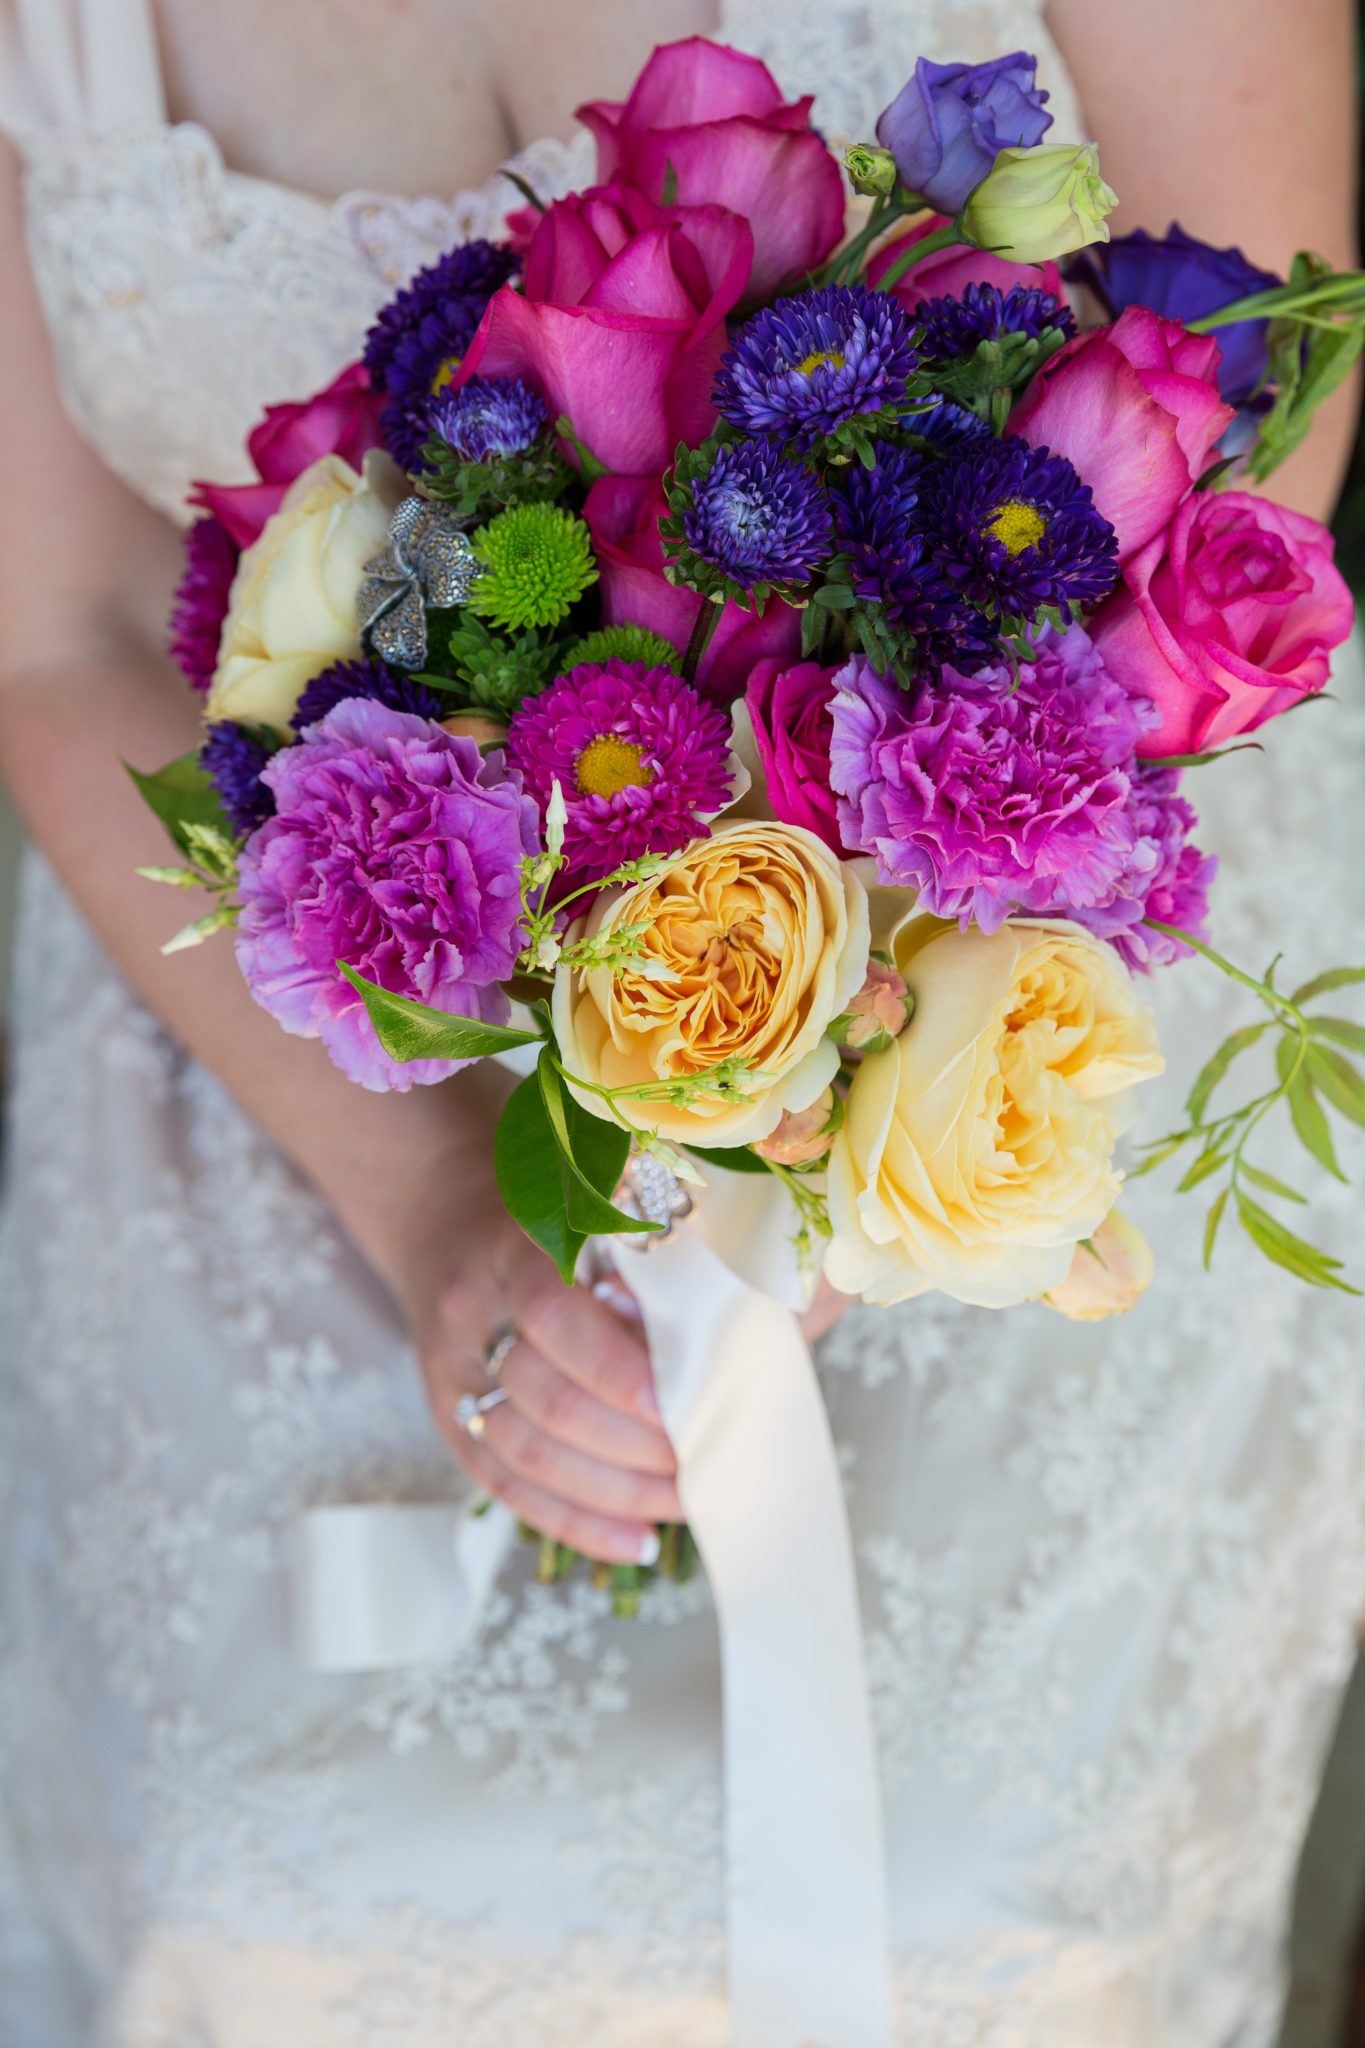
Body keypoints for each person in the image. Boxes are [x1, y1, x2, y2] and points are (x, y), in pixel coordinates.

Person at [0, 0, 1360, 2041]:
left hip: (1018, 916)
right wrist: (443, 1214)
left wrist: (828, 1122)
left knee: (993, 1888)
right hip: (306, 976)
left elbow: (1248, 391)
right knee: (258, 1886)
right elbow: (64, 624)